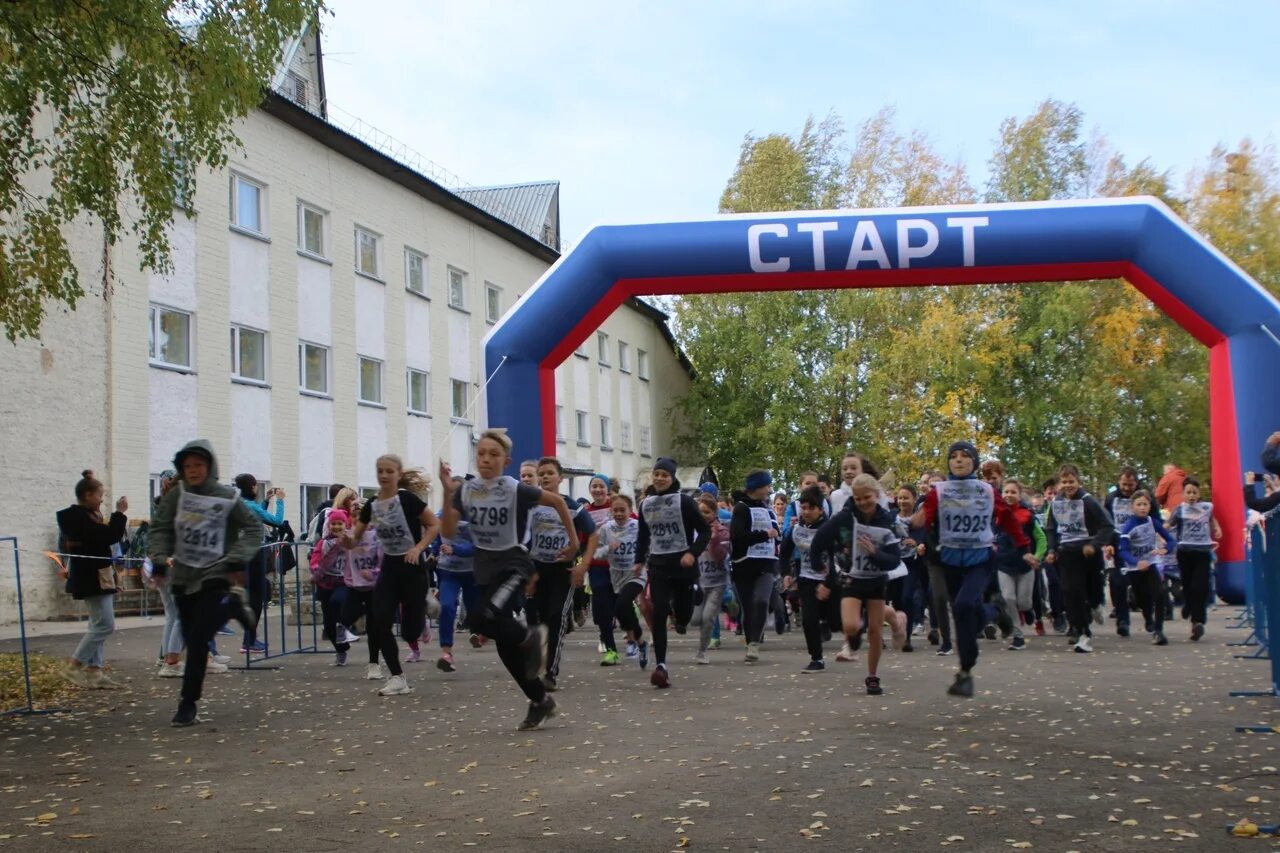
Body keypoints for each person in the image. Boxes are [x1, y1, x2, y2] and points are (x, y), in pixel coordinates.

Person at [439, 429, 580, 730]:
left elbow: (556, 501)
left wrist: (574, 542)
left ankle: (532, 637)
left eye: (494, 454)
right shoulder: (466, 490)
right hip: (485, 571)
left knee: (482, 618)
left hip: (514, 563)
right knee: (505, 647)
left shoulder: (515, 488)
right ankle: (541, 700)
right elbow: (449, 531)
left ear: (506, 461)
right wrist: (445, 490)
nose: (486, 459)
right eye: (481, 453)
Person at [149, 440, 262, 726]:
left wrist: (237, 559)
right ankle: (235, 607)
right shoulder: (177, 496)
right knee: (194, 642)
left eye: (198, 465)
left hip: (216, 573)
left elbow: (253, 528)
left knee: (199, 637)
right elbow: (160, 528)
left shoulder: (227, 497)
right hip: (184, 577)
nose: (193, 471)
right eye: (187, 466)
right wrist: (160, 559)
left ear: (209, 466)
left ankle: (187, 704)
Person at [910, 442, 1025, 697]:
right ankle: (967, 668)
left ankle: (967, 666)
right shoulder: (938, 491)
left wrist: (1023, 545)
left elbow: (1006, 516)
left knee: (962, 607)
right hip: (950, 560)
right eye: (954, 457)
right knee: (966, 617)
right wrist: (915, 522)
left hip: (981, 559)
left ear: (974, 462)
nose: (959, 460)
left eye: (965, 456)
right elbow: (923, 518)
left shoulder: (986, 490)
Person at [342, 455, 438, 696]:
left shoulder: (407, 499)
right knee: (380, 621)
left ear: (398, 474)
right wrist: (347, 540)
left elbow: (434, 525)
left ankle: (425, 599)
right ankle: (398, 678)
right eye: (380, 471)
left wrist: (418, 548)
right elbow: (355, 538)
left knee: (409, 632)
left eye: (389, 471)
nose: (384, 475)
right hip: (390, 569)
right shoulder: (372, 505)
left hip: (413, 566)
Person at [811, 474, 902, 694]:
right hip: (852, 577)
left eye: (866, 497)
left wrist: (875, 553)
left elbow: (894, 559)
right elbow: (821, 537)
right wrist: (817, 564)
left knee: (875, 631)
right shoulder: (845, 517)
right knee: (851, 627)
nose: (862, 502)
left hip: (876, 580)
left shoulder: (887, 520)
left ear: (876, 495)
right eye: (858, 498)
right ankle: (855, 640)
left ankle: (872, 676)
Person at [634, 456, 711, 688]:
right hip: (658, 565)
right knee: (658, 611)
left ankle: (694, 592)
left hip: (683, 566)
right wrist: (639, 560)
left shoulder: (685, 502)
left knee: (684, 617)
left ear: (672, 478)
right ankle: (661, 666)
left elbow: (705, 531)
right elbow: (642, 536)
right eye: (656, 474)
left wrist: (693, 553)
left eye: (664, 475)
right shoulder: (645, 503)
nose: (659, 478)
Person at [526, 457, 596, 691]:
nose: (545, 477)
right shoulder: (531, 504)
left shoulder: (574, 507)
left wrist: (583, 565)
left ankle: (550, 673)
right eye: (541, 473)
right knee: (537, 620)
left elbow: (592, 534)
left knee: (556, 617)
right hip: (537, 568)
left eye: (549, 473)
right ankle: (537, 661)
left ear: (561, 478)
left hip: (562, 571)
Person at [56, 470, 128, 689]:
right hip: (91, 578)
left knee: (96, 624)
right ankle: (74, 665)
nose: (101, 500)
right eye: (99, 496)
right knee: (105, 625)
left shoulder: (86, 517)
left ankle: (95, 671)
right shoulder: (77, 519)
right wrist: (120, 513)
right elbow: (108, 536)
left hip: (99, 575)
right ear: (87, 495)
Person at [1043, 464, 1114, 654]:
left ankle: (1096, 604)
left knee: (1092, 590)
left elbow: (1107, 525)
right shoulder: (1055, 503)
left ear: (1078, 482)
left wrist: (1095, 544)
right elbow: (1051, 528)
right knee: (1072, 592)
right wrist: (1051, 549)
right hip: (1067, 553)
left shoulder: (1088, 501)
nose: (1068, 485)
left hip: (1088, 552)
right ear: (1059, 484)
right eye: (1064, 482)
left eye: (1071, 481)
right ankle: (1082, 632)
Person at [729, 470, 781, 663]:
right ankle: (750, 639)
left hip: (766, 564)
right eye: (767, 486)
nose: (770, 489)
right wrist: (765, 535)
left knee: (761, 601)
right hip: (743, 565)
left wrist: (777, 540)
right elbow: (737, 537)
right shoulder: (741, 508)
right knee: (748, 608)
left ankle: (754, 644)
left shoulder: (768, 508)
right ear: (757, 487)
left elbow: (776, 533)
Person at [780, 486, 833, 673]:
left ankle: (827, 622)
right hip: (807, 578)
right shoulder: (796, 530)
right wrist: (786, 573)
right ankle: (816, 658)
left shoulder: (829, 529)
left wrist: (829, 582)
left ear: (820, 509)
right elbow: (784, 552)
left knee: (833, 619)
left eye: (811, 508)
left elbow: (838, 558)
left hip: (829, 580)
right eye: (803, 508)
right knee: (809, 620)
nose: (807, 512)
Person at [231, 474, 285, 654]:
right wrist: (280, 502)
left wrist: (266, 501)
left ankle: (250, 638)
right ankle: (249, 640)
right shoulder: (251, 506)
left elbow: (255, 517)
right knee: (257, 596)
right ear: (253, 487)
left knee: (256, 593)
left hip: (241, 553)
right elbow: (276, 521)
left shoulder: (239, 504)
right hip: (254, 554)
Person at [1116, 490, 1178, 646]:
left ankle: (1159, 631)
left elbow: (1170, 540)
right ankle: (1148, 617)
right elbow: (1122, 550)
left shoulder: (1153, 522)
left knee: (1160, 593)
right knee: (1143, 599)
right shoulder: (1128, 527)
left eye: (1145, 504)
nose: (1142, 508)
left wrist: (1166, 549)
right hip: (1135, 568)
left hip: (1151, 563)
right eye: (1139, 505)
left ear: (1150, 506)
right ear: (1132, 507)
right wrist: (1136, 562)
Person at [1167, 476, 1222, 641]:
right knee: (1189, 584)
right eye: (1188, 492)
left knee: (1201, 586)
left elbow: (1212, 519)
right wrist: (1161, 534)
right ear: (1183, 494)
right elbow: (1169, 524)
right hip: (1185, 552)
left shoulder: (1206, 507)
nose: (1191, 496)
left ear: (1199, 494)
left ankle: (1198, 622)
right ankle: (1188, 605)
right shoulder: (1180, 509)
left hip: (1203, 552)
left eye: (1194, 493)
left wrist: (1217, 529)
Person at [433, 477, 478, 673]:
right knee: (447, 606)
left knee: (475, 609)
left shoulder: (473, 516)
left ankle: (479, 633)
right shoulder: (441, 515)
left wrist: (456, 549)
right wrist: (432, 555)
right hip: (448, 571)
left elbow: (478, 545)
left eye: (457, 492)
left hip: (470, 571)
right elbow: (436, 538)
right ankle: (446, 652)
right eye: (450, 492)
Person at [597, 493, 648, 667]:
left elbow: (649, 547)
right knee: (621, 611)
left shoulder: (638, 526)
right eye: (615, 510)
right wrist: (608, 548)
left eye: (622, 510)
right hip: (616, 575)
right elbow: (596, 552)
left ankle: (634, 642)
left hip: (636, 574)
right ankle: (641, 642)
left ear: (630, 510)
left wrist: (642, 561)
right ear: (610, 511)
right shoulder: (606, 529)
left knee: (622, 604)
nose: (619, 514)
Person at [994, 480, 1045, 650]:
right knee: (1009, 598)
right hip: (1003, 564)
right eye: (1006, 492)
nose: (1009, 495)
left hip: (1025, 565)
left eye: (1012, 492)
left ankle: (1028, 609)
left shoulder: (1027, 515)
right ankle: (1018, 636)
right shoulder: (996, 515)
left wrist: (1037, 556)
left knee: (1023, 602)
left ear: (1019, 494)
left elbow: (1041, 538)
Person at [583, 474, 619, 665]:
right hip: (597, 565)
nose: (597, 490)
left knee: (616, 605)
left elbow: (635, 524)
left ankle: (622, 633)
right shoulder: (586, 511)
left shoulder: (616, 506)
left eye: (601, 486)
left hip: (618, 565)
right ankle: (608, 643)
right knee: (600, 609)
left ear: (607, 489)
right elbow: (581, 535)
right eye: (594, 486)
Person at [309, 510, 353, 665]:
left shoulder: (350, 540)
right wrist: (315, 569)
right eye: (333, 524)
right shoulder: (323, 542)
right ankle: (341, 650)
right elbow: (315, 558)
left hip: (344, 581)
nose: (336, 527)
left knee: (337, 602)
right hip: (325, 582)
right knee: (328, 625)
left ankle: (346, 625)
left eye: (339, 524)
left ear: (345, 524)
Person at [693, 495, 730, 665]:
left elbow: (720, 557)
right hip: (699, 582)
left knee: (708, 617)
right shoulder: (693, 531)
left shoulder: (722, 531)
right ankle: (729, 603)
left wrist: (714, 540)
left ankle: (701, 651)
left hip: (717, 582)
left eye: (707, 512)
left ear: (714, 513)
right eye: (700, 512)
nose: (703, 515)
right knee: (695, 620)